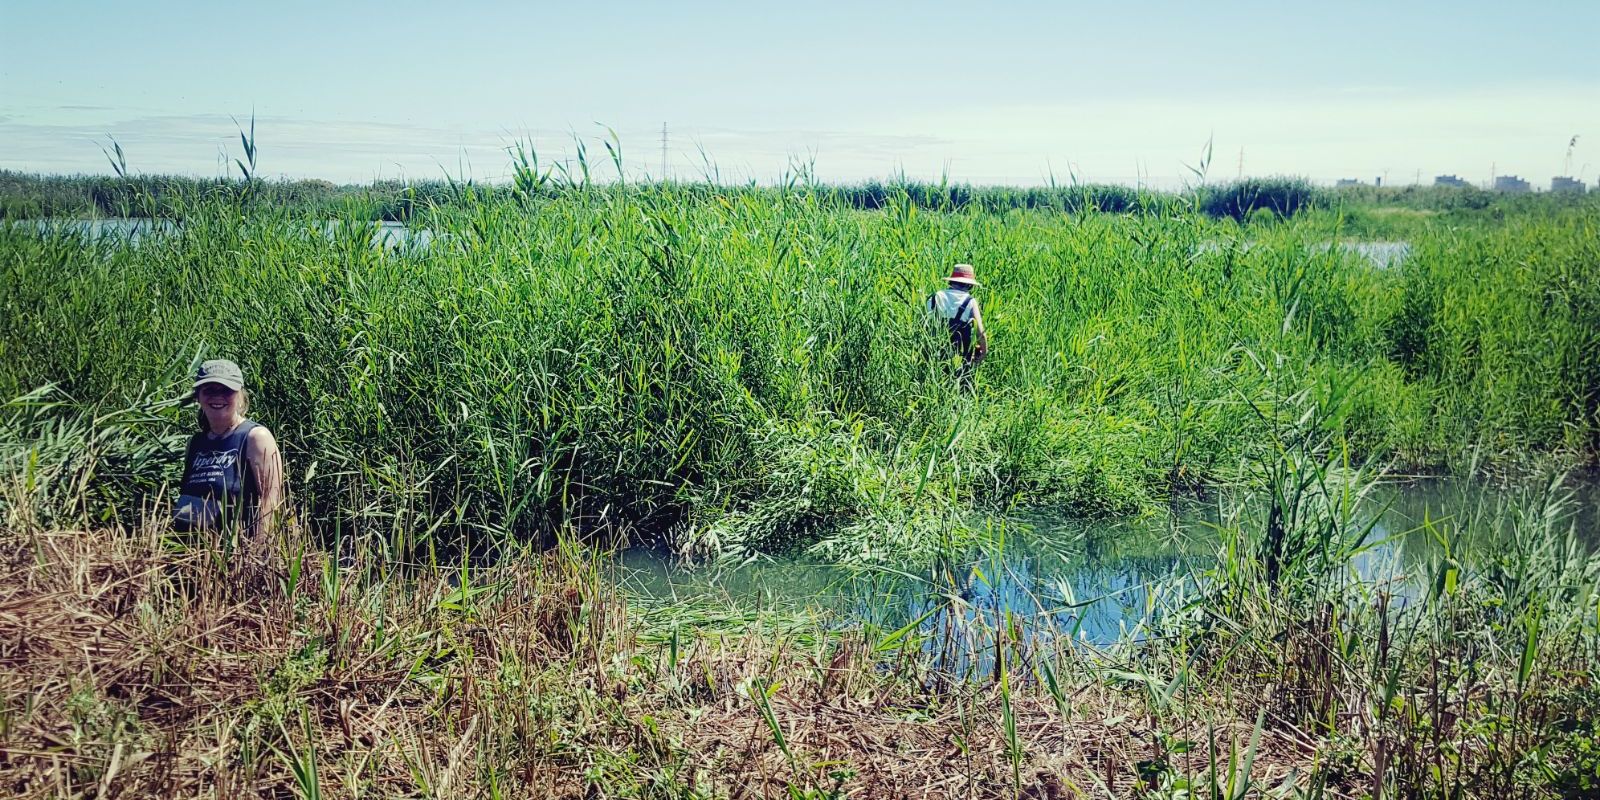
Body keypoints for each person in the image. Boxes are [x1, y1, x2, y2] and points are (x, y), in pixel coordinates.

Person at [173, 359, 285, 560]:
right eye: (209, 390)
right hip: (192, 559)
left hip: (238, 557)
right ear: (198, 396)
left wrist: (255, 555)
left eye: (226, 390)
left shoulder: (255, 437)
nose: (217, 396)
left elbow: (271, 500)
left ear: (240, 395)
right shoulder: (195, 443)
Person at [926, 263, 989, 379]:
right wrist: (984, 352)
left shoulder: (935, 297)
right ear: (970, 285)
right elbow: (980, 332)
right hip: (960, 352)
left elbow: (924, 324)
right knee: (960, 380)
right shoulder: (970, 301)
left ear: (951, 281)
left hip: (934, 348)